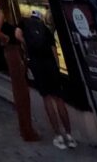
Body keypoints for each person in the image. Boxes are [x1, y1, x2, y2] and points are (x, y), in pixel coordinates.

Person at [17, 11, 76, 151]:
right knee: (59, 99)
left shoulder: (23, 24)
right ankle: (69, 135)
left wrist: (26, 47)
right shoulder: (46, 29)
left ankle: (58, 136)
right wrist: (57, 68)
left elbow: (17, 35)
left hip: (37, 65)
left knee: (47, 99)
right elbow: (54, 51)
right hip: (50, 65)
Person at [0, 4, 41, 142]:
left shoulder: (7, 12)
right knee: (21, 92)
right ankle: (27, 130)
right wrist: (6, 38)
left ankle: (26, 128)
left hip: (14, 51)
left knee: (21, 92)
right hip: (13, 52)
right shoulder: (3, 12)